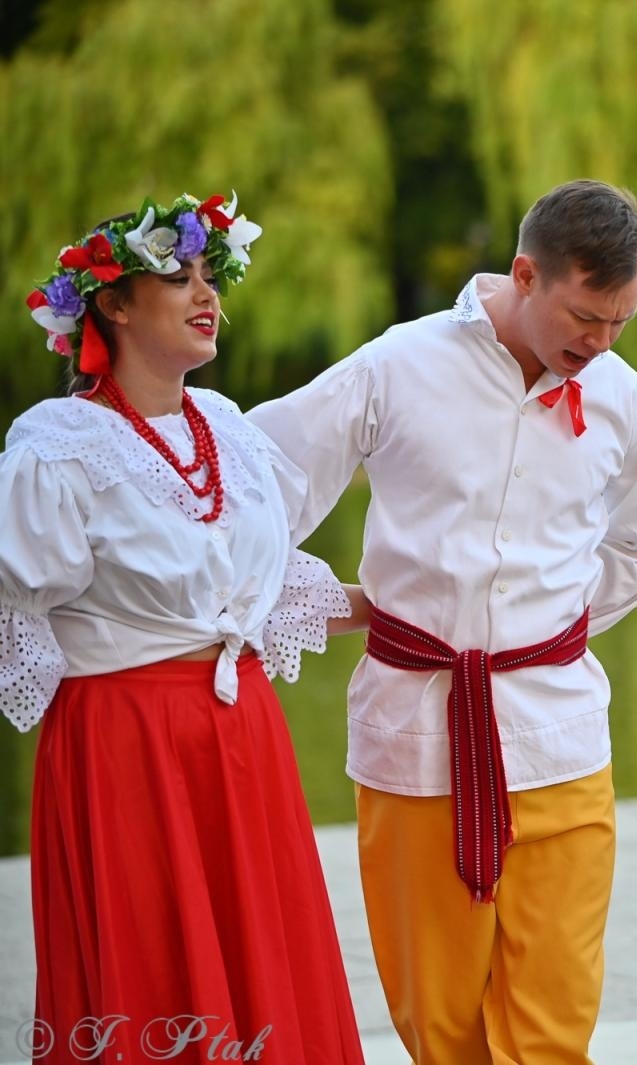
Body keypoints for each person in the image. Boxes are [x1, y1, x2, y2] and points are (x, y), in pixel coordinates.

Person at [248, 179, 637, 1064]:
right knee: (438, 1021)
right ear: (525, 274)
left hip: (560, 737)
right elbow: (255, 489)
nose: (599, 343)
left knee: (554, 1020)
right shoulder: (395, 367)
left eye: (620, 322)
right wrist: (331, 601)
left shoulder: (627, 402)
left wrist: (548, 625)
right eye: (583, 317)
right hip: (415, 739)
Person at [2, 193, 366, 1062]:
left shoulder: (228, 430)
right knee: (153, 959)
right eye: (178, 275)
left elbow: (263, 589)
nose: (207, 293)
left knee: (262, 957)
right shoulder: (56, 445)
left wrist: (432, 612)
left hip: (240, 736)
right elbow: (16, 598)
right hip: (124, 738)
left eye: (213, 274)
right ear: (113, 305)